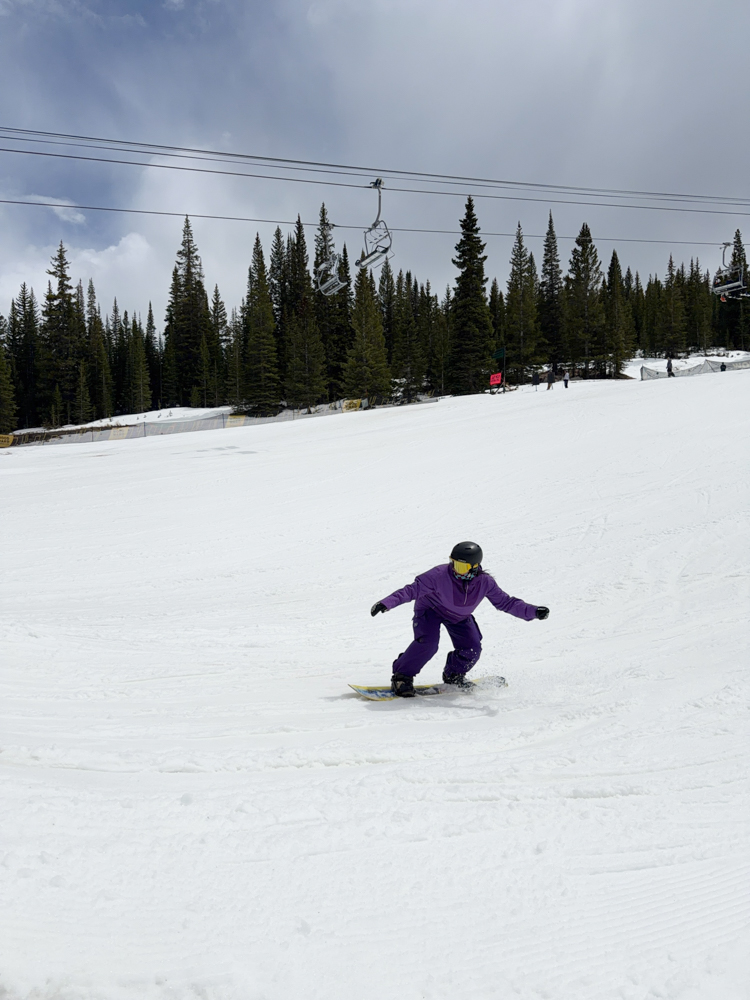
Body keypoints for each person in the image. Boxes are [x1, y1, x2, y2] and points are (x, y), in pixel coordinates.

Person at [371, 541, 549, 697]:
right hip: (430, 609)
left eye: (461, 567)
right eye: (453, 563)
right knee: (428, 643)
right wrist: (387, 603)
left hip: (459, 616)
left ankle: (454, 675)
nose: (456, 570)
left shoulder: (485, 582)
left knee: (472, 648)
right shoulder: (439, 574)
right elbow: (411, 590)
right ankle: (402, 678)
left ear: (474, 566)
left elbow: (506, 603)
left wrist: (533, 612)